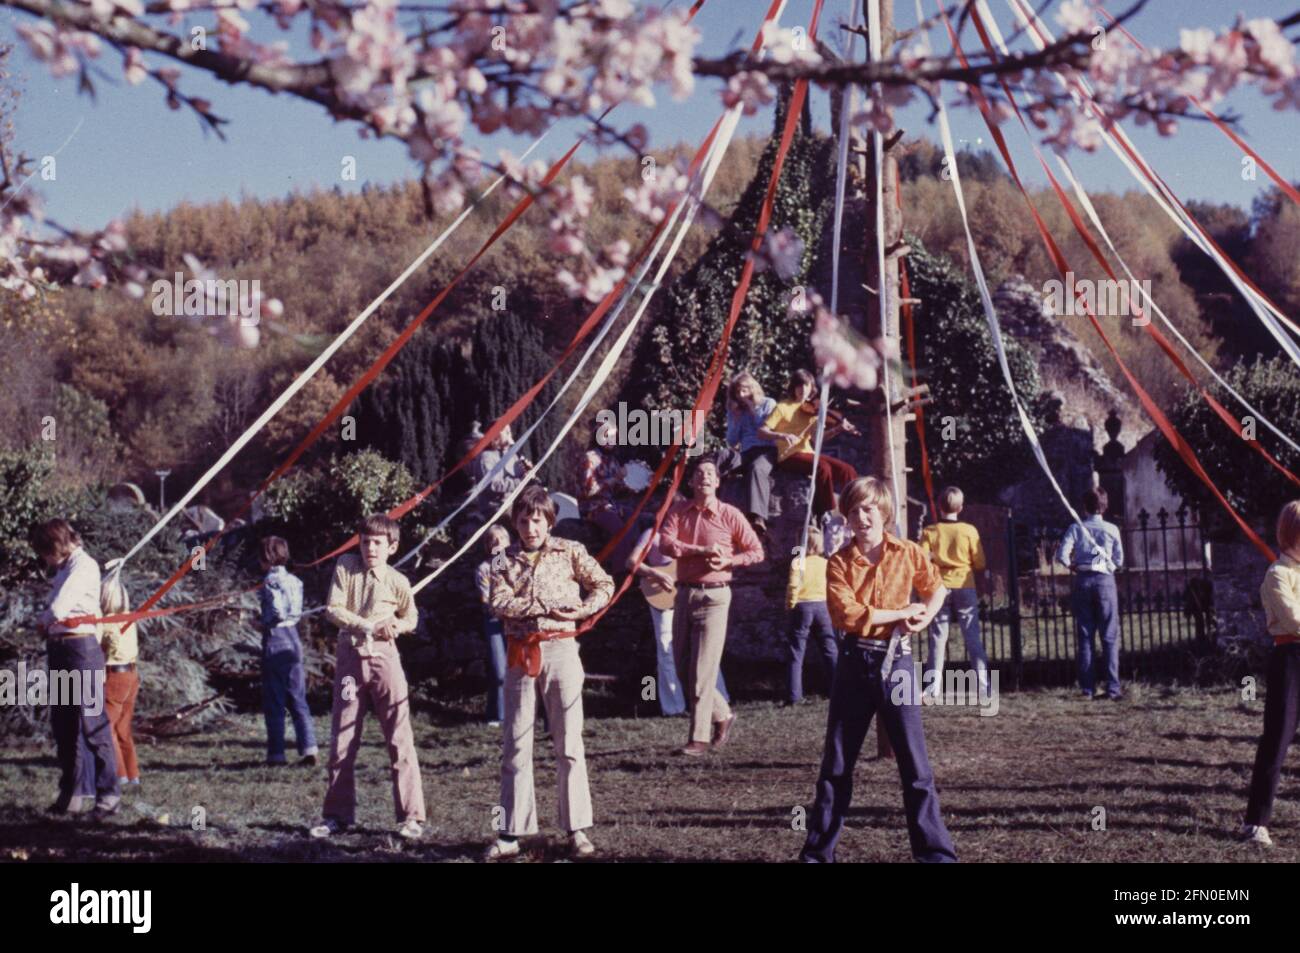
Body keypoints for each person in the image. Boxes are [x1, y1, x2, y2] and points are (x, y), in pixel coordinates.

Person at [798, 477, 957, 863]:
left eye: (869, 508)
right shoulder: (837, 562)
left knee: (915, 766)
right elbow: (847, 615)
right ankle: (817, 855)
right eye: (854, 510)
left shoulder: (908, 552)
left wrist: (925, 616)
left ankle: (936, 854)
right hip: (854, 666)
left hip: (898, 664)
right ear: (846, 518)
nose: (861, 516)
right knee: (836, 765)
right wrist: (903, 612)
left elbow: (937, 588)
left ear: (884, 513)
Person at [484, 485, 614, 860]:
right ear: (516, 523)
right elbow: (498, 600)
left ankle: (577, 829)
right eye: (523, 521)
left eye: (537, 521)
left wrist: (580, 609)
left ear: (549, 521)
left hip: (561, 652)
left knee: (570, 742)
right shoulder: (500, 559)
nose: (530, 529)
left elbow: (604, 584)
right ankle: (511, 831)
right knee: (515, 742)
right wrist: (541, 604)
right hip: (521, 654)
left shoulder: (571, 551)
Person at [311, 515, 425, 841]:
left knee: (399, 737)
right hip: (350, 660)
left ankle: (411, 817)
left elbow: (411, 616)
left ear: (392, 547)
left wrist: (397, 627)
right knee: (343, 737)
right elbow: (333, 609)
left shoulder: (398, 581)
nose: (370, 548)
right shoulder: (346, 567)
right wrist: (367, 626)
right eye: (365, 541)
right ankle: (336, 815)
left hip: (386, 661)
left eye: (377, 543)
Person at [659, 456, 764, 755]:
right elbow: (666, 543)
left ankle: (699, 738)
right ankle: (723, 715)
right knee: (681, 667)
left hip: (716, 596)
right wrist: (699, 550)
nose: (704, 477)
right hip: (684, 594)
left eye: (710, 473)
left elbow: (756, 551)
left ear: (718, 482)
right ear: (691, 482)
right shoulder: (679, 511)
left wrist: (730, 559)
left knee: (703, 669)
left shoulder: (730, 515)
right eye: (698, 473)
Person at [31, 519, 120, 817]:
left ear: (56, 545)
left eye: (45, 552)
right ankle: (72, 794)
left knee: (92, 723)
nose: (45, 559)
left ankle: (108, 795)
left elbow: (58, 608)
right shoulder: (66, 568)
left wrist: (43, 622)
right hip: (61, 650)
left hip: (80, 651)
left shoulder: (83, 567)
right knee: (65, 726)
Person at [1240, 500, 1300, 847]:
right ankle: (1255, 822)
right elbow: (1293, 620)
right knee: (1277, 739)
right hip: (1290, 660)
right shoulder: (1277, 574)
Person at [627, 521, 730, 717]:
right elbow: (631, 562)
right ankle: (673, 708)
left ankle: (718, 700)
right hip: (663, 597)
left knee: (705, 646)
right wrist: (654, 573)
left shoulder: (694, 533)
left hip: (693, 593)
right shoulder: (652, 533)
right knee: (666, 650)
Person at [1055, 488, 1125, 700]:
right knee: (1109, 636)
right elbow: (1119, 560)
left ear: (1084, 507)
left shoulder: (1077, 528)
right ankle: (1113, 687)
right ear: (1105, 506)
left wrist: (1074, 566)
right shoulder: (1112, 529)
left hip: (1083, 580)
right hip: (1104, 581)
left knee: (1085, 636)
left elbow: (1062, 555)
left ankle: (1088, 689)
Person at [920, 486, 989, 697]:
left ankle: (933, 688)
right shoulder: (969, 531)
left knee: (938, 637)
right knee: (973, 638)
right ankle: (984, 686)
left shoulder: (929, 532)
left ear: (939, 506)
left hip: (939, 587)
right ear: (960, 507)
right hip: (965, 584)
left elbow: (921, 560)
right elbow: (980, 562)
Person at [763, 369, 858, 518]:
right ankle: (826, 513)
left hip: (808, 453)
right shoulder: (782, 407)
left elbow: (817, 439)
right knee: (822, 467)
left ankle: (855, 507)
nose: (802, 390)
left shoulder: (812, 410)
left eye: (806, 385)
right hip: (788, 456)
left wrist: (838, 429)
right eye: (798, 386)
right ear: (793, 388)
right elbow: (762, 431)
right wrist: (782, 435)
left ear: (811, 387)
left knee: (847, 470)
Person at [258, 536, 318, 766]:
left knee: (274, 699)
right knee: (297, 697)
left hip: (275, 638)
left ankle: (276, 754)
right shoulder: (295, 581)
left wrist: (264, 619)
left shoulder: (269, 581)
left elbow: (276, 611)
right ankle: (309, 747)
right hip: (294, 638)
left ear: (266, 558)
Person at [716, 371, 779, 537]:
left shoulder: (768, 403)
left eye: (744, 390)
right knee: (722, 456)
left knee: (757, 469)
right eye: (737, 392)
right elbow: (731, 441)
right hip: (745, 451)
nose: (741, 395)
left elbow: (766, 431)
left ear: (753, 389)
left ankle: (757, 517)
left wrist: (752, 411)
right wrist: (736, 419)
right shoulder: (736, 410)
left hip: (766, 449)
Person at [785, 528, 837, 706]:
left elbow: (793, 585)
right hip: (823, 605)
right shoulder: (826, 563)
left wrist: (790, 604)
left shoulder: (798, 562)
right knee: (830, 648)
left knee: (796, 651)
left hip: (802, 605)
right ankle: (837, 689)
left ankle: (794, 695)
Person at [100, 573, 141, 789]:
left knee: (107, 727)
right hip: (132, 674)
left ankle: (119, 773)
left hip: (115, 676)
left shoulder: (105, 623)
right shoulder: (129, 618)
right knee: (124, 727)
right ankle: (133, 773)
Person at [474, 525, 511, 727]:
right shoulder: (483, 569)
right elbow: (488, 600)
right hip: (495, 621)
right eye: (493, 541)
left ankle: (500, 712)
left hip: (515, 621)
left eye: (502, 539)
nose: (498, 544)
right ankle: (498, 716)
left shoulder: (514, 564)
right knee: (499, 669)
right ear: (487, 545)